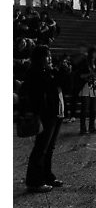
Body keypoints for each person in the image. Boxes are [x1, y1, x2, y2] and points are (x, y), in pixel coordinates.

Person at [22, 45, 66, 193]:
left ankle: (47, 176)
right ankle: (34, 181)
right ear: (40, 58)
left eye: (50, 55)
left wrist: (63, 72)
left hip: (56, 113)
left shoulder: (48, 71)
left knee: (49, 147)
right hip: (45, 115)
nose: (50, 58)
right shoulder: (35, 73)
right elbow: (38, 94)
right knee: (41, 148)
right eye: (47, 56)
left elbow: (66, 86)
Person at [77, 46, 96, 134]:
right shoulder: (85, 62)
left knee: (93, 108)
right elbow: (80, 75)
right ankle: (83, 128)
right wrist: (89, 74)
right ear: (91, 53)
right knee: (84, 107)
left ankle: (92, 127)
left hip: (94, 85)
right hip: (86, 85)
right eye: (95, 52)